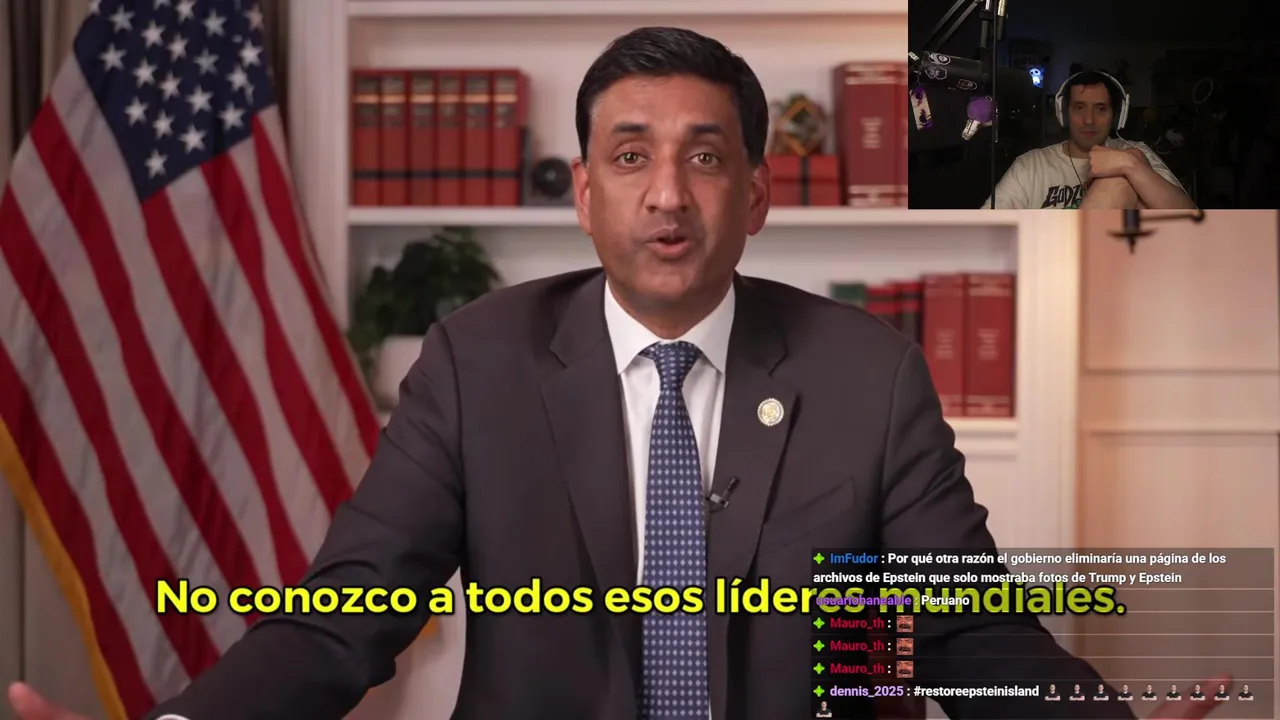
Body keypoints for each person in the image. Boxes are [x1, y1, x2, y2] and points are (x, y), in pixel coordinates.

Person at [6, 26, 1231, 720]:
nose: (667, 195)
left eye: (705, 157)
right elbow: (350, 614)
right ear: (584, 194)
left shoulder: (870, 375)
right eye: (631, 156)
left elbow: (966, 631)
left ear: (756, 195)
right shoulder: (477, 362)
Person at [982, 70, 1195, 210]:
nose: (1089, 120)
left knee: (1122, 176)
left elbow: (1190, 220)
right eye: (1079, 107)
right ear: (1064, 114)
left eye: (1100, 109)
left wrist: (1129, 164)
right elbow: (987, 229)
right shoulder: (1030, 165)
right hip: (1050, 259)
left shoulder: (1135, 153)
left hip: (1121, 261)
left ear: (1116, 117)